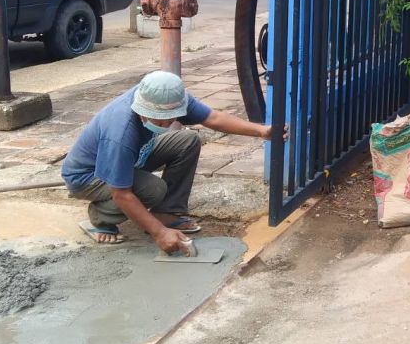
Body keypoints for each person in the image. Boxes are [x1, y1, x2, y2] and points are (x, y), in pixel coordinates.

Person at [61, 70, 272, 252]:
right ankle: (101, 218)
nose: (164, 124)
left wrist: (261, 131)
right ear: (141, 109)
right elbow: (121, 193)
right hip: (88, 177)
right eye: (157, 119)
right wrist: (159, 233)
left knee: (187, 141)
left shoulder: (170, 97)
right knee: (154, 189)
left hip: (133, 157)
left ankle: (165, 212)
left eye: (169, 118)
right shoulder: (120, 132)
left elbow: (213, 118)